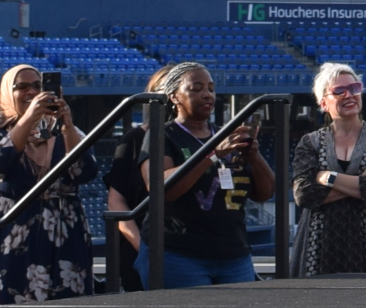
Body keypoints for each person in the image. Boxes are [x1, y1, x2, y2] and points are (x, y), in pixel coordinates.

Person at [104, 62, 272, 288]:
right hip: (179, 254)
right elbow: (161, 187)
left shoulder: (226, 134)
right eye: (196, 88)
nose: (207, 95)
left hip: (234, 253)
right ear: (174, 97)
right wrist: (212, 154)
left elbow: (265, 192)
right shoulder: (162, 135)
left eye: (211, 89)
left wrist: (254, 155)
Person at [0, 63, 97, 301]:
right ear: (8, 92)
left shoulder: (70, 131)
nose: (32, 92)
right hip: (14, 235)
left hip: (67, 232)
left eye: (38, 86)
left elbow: (86, 172)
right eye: (22, 87)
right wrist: (28, 119)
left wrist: (67, 125)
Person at [292, 62, 366, 275]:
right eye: (339, 91)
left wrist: (326, 177)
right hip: (318, 247)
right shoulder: (310, 142)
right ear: (323, 103)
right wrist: (361, 182)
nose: (349, 95)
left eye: (355, 88)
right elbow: (305, 195)